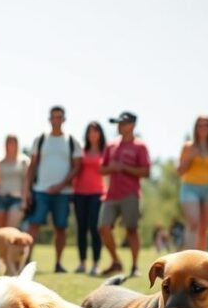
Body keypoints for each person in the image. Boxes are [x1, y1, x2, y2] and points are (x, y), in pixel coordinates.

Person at [23, 106, 83, 273]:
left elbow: (77, 167)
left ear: (64, 119)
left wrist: (60, 185)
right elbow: (32, 165)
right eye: (53, 117)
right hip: (40, 190)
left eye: (59, 117)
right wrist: (26, 191)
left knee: (61, 227)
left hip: (63, 193)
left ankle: (58, 263)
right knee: (33, 225)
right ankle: (26, 261)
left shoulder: (72, 141)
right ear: (49, 119)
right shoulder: (40, 139)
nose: (56, 119)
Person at [99, 111, 150, 277]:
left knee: (132, 230)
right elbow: (101, 168)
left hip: (130, 194)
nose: (119, 126)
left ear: (132, 125)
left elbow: (146, 171)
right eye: (118, 124)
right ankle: (116, 261)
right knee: (103, 227)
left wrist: (126, 168)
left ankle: (135, 266)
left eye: (123, 123)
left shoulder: (140, 146)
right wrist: (112, 168)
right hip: (111, 194)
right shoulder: (111, 145)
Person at [176, 115, 208, 250]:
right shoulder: (188, 147)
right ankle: (188, 259)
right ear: (195, 128)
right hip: (190, 187)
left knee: (203, 229)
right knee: (193, 223)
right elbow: (180, 171)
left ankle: (201, 263)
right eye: (200, 125)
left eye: (206, 125)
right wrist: (191, 156)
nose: (203, 128)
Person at [71, 122, 106, 274]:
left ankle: (96, 264)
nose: (93, 134)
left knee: (94, 228)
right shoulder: (81, 151)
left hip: (97, 194)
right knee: (81, 229)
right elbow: (75, 170)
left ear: (100, 134)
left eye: (95, 131)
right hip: (79, 193)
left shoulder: (106, 151)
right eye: (90, 131)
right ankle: (82, 263)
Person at [0, 134, 29, 230]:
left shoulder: (24, 161)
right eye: (9, 142)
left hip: (17, 198)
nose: (11, 145)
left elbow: (26, 181)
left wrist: (24, 200)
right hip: (1, 197)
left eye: (13, 142)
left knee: (10, 228)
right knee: (0, 230)